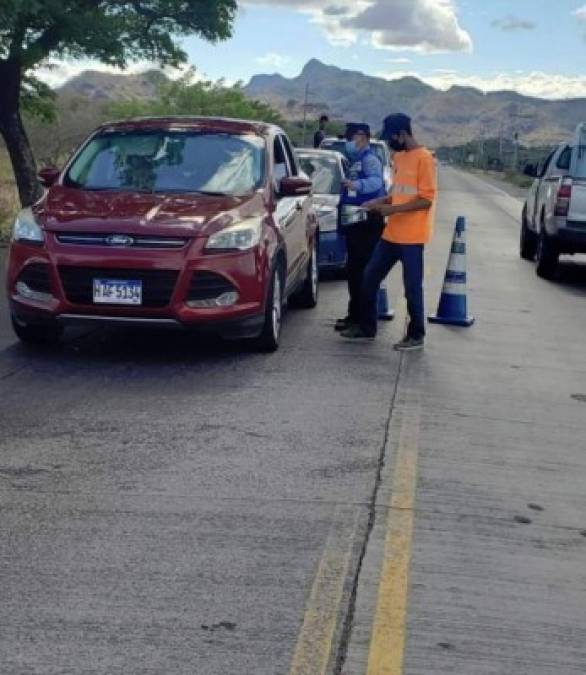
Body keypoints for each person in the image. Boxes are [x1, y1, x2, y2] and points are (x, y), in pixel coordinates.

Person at [341, 113, 437, 351]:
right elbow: (398, 193)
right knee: (369, 277)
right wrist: (378, 201)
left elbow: (425, 200)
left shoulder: (424, 159)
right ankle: (366, 327)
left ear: (402, 134)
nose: (389, 143)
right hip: (391, 233)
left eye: (391, 138)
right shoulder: (399, 157)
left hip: (412, 237)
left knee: (412, 287)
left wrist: (391, 209)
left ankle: (416, 334)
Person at [335, 122, 386, 333]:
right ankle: (354, 315)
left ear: (362, 137)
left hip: (367, 223)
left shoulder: (371, 159)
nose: (348, 143)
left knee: (362, 273)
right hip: (354, 223)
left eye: (350, 138)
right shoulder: (356, 160)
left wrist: (356, 186)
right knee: (354, 271)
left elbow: (376, 182)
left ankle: (364, 322)